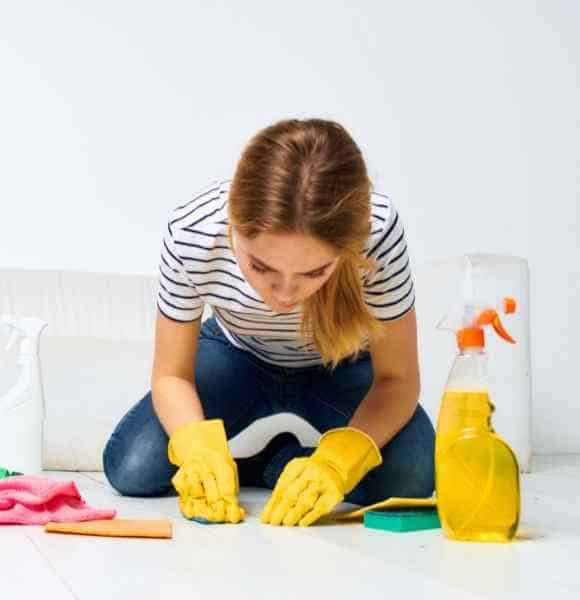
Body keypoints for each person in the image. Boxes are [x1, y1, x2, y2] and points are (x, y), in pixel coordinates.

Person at [102, 119, 435, 526]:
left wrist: (336, 463)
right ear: (233, 227)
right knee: (133, 466)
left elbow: (398, 379)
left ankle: (288, 463)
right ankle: (253, 464)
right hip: (235, 357)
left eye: (314, 273)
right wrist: (197, 450)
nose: (283, 295)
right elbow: (171, 376)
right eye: (260, 267)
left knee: (413, 474)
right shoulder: (192, 231)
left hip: (340, 365)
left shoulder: (377, 232)